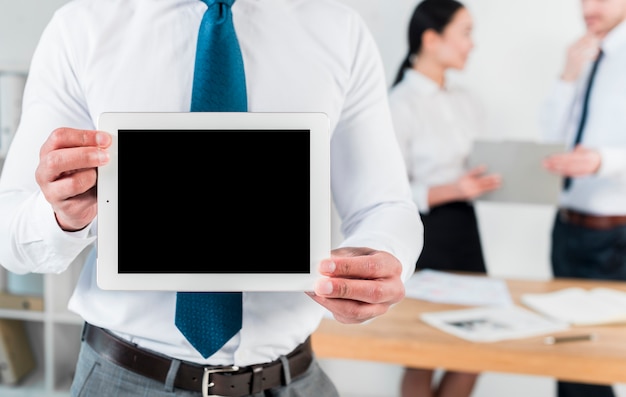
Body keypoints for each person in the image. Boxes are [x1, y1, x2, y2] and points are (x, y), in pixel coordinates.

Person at [0, 1, 424, 396]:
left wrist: (382, 261)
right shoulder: (84, 25)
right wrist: (61, 214)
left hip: (292, 378)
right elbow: (11, 238)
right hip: (124, 378)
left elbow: (385, 206)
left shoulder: (338, 28)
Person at [388, 1, 501, 396]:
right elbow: (391, 193)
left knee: (476, 346)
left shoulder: (466, 100)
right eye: (465, 32)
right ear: (432, 39)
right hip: (424, 232)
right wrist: (455, 188)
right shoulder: (399, 104)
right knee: (422, 351)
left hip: (465, 229)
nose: (472, 44)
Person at [540, 0, 626, 396]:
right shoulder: (586, 55)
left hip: (613, 237)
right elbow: (552, 140)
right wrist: (567, 76)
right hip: (567, 227)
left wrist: (602, 161)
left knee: (599, 359)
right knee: (567, 358)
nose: (589, 6)